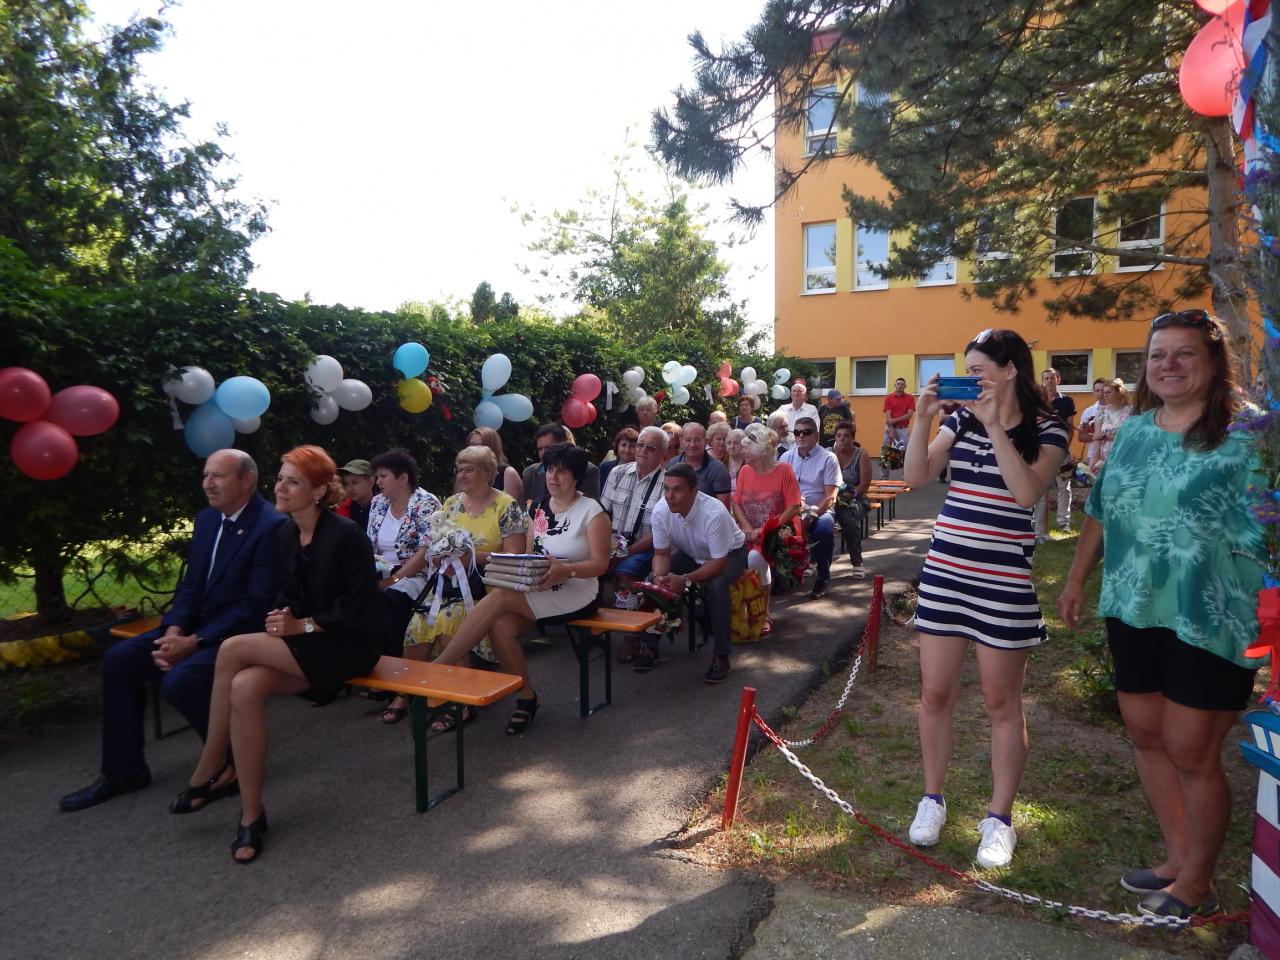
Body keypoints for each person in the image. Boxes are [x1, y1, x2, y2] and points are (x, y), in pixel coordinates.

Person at [1058, 310, 1264, 918]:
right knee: (1147, 736)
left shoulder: (1250, 437)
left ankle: (1197, 885)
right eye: (1157, 354)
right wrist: (1076, 578)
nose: (1168, 364)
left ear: (1214, 362)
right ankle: (1177, 860)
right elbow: (1100, 509)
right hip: (1133, 604)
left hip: (1213, 614)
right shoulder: (1135, 432)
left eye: (1184, 353)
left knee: (1191, 749)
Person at [903, 328, 1067, 870]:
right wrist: (923, 417)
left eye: (978, 370)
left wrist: (996, 426)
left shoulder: (1048, 428)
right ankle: (932, 799)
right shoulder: (959, 421)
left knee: (1002, 703)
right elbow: (916, 476)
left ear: (1010, 369)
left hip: (1003, 582)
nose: (970, 379)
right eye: (967, 371)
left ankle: (999, 819)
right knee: (935, 693)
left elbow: (1026, 493)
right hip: (945, 574)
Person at [175, 445, 387, 862]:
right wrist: (283, 613)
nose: (281, 488)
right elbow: (290, 594)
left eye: (293, 481)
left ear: (318, 491)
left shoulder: (346, 536)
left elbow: (361, 609)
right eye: (280, 479)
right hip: (309, 645)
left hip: (352, 646)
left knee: (233, 648)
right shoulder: (287, 534)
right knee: (244, 686)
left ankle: (210, 764)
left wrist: (300, 625)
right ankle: (251, 816)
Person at [59, 450, 286, 813]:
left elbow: (255, 606)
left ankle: (234, 763)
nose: (208, 484)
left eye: (218, 476)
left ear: (247, 480)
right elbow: (192, 585)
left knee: (181, 682)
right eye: (205, 475)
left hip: (240, 637)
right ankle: (124, 771)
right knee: (119, 661)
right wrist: (174, 631)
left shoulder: (271, 526)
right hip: (193, 628)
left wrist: (193, 643)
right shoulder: (208, 519)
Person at [433, 444, 611, 734]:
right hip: (541, 583)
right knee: (500, 625)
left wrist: (567, 570)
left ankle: (441, 666)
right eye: (550, 470)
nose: (553, 477)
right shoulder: (537, 507)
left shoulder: (592, 511)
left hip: (578, 589)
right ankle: (526, 697)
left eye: (561, 471)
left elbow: (601, 565)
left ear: (576, 476)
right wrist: (524, 572)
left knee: (501, 596)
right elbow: (528, 554)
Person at [404, 444, 528, 725]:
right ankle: (411, 693)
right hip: (450, 584)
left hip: (489, 586)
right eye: (459, 470)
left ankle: (459, 702)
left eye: (469, 469)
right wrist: (443, 558)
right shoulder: (451, 504)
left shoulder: (506, 506)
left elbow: (513, 557)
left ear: (487, 473)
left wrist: (471, 557)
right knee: (418, 622)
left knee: (450, 619)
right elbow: (436, 546)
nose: (462, 475)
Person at [640, 463, 749, 683]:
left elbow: (718, 562)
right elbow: (661, 554)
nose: (669, 496)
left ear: (694, 491)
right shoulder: (660, 511)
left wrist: (685, 580)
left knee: (717, 585)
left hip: (730, 554)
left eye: (677, 489)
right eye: (666, 488)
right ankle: (649, 646)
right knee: (653, 582)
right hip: (692, 553)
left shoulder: (714, 512)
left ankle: (722, 655)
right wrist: (660, 576)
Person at [366, 448, 441, 724]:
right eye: (377, 476)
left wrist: (393, 580)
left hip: (417, 574)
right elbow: (369, 544)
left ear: (403, 478)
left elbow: (425, 552)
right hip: (382, 571)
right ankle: (375, 669)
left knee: (391, 602)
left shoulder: (426, 503)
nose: (377, 482)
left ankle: (399, 683)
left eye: (383, 476)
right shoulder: (377, 503)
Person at [732, 422, 802, 637]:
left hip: (775, 533)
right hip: (748, 531)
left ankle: (764, 613)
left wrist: (765, 529)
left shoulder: (784, 470)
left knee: (755, 558)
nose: (741, 451)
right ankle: (739, 610)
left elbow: (794, 506)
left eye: (746, 448)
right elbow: (736, 504)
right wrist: (748, 528)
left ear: (760, 452)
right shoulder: (745, 471)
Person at [600, 425, 667, 590]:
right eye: (640, 444)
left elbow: (660, 532)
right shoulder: (617, 473)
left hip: (644, 549)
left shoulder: (667, 483)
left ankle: (626, 605)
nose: (643, 450)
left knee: (624, 574)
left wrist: (626, 553)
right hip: (612, 545)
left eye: (651, 447)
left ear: (662, 454)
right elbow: (602, 515)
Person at [781, 416, 840, 600]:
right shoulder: (786, 457)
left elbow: (830, 497)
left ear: (816, 435)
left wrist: (810, 515)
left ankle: (822, 577)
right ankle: (783, 577)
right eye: (797, 432)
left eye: (806, 432)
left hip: (819, 510)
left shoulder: (828, 458)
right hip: (791, 509)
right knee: (773, 530)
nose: (801, 436)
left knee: (823, 531)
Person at [1032, 368, 1077, 541]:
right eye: (1046, 378)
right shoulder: (1035, 403)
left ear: (1058, 380)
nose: (1049, 381)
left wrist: (1064, 448)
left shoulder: (1066, 401)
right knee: (1040, 490)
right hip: (1040, 451)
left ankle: (1063, 522)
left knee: (1064, 487)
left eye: (1052, 378)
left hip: (1062, 451)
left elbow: (1070, 427)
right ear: (1042, 381)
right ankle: (1038, 526)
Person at [522, 423, 601, 505]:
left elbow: (588, 505)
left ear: (564, 444)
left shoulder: (588, 470)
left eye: (549, 447)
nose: (543, 453)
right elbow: (524, 506)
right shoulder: (530, 473)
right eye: (540, 449)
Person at [832, 420, 872, 579]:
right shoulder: (828, 453)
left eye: (846, 436)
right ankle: (814, 561)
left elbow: (864, 485)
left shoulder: (861, 454)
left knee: (847, 517)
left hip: (856, 498)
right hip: (831, 496)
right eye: (839, 435)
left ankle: (857, 562)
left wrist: (847, 496)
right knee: (817, 517)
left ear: (853, 438)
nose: (842, 438)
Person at [667, 422, 732, 507]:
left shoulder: (718, 469)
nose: (692, 445)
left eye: (697, 440)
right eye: (688, 440)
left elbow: (723, 509)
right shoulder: (672, 464)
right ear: (681, 441)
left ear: (705, 441)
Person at [1086, 378, 1133, 475]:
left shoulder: (1131, 412)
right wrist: (1095, 458)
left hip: (1123, 454)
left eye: (1109, 392)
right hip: (1104, 456)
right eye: (1104, 392)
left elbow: (1131, 436)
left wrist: (1107, 436)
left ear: (1119, 393)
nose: (1105, 395)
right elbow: (1097, 437)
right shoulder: (1102, 411)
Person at [467, 426, 523, 502]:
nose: (474, 449)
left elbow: (509, 507)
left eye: (480, 445)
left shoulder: (508, 473)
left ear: (492, 447)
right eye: (472, 445)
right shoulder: (467, 471)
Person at [882, 378, 916, 478]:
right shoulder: (889, 398)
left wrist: (893, 421)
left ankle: (906, 478)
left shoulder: (910, 398)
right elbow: (888, 415)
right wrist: (891, 429)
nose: (900, 385)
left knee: (906, 454)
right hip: (890, 428)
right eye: (898, 384)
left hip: (903, 429)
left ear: (905, 386)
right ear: (895, 385)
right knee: (886, 453)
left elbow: (909, 415)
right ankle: (883, 478)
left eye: (902, 384)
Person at [776, 381, 819, 449]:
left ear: (804, 395)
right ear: (791, 394)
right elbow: (775, 428)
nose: (796, 393)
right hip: (783, 447)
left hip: (803, 446)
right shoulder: (783, 409)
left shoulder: (811, 409)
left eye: (799, 391)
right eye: (794, 391)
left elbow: (814, 431)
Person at [1076, 377, 1109, 466]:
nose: (1100, 393)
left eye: (1103, 390)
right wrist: (1096, 436)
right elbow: (1081, 437)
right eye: (1097, 391)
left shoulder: (1116, 410)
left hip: (1112, 453)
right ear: (1093, 392)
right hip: (1093, 454)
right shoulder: (1088, 411)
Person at [336, 459, 374, 534]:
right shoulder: (340, 510)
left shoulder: (386, 508)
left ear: (371, 482)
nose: (350, 489)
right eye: (346, 484)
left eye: (355, 482)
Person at [726, 428, 747, 493]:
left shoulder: (749, 463)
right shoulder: (722, 460)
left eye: (736, 443)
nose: (732, 446)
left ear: (743, 444)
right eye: (729, 443)